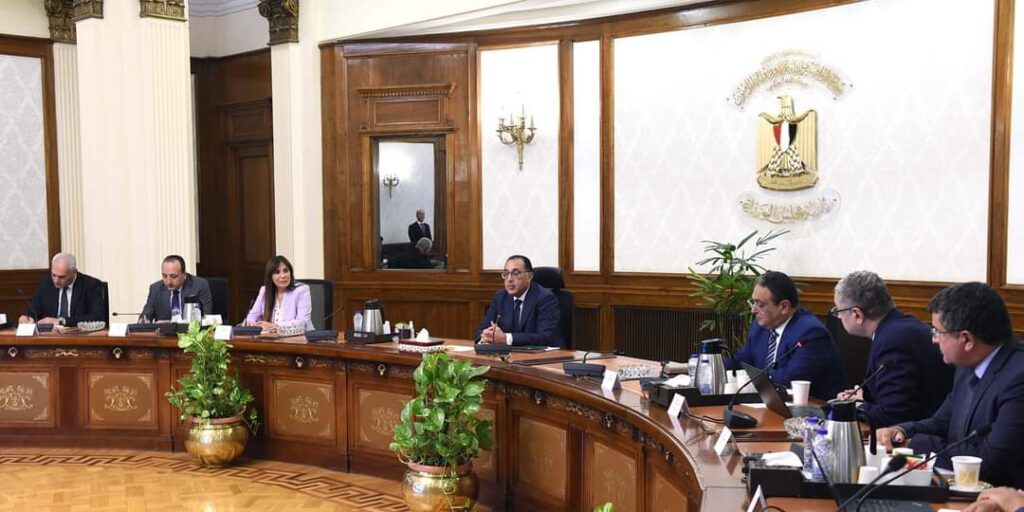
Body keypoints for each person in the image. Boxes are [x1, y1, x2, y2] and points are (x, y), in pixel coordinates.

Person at [877, 282, 1024, 489]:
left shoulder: (1018, 378)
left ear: (967, 339)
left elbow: (988, 461)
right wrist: (902, 431)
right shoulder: (967, 364)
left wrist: (915, 444)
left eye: (937, 331)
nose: (934, 340)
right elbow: (943, 422)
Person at [832, 271, 952, 427]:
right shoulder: (899, 327)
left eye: (838, 311)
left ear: (857, 314)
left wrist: (858, 405)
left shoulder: (893, 341)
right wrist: (865, 397)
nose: (839, 317)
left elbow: (893, 415)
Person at [732, 271, 848, 400]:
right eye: (753, 302)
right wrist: (715, 365)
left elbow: (790, 380)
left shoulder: (811, 333)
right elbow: (740, 362)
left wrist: (756, 376)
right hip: (774, 403)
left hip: (816, 407)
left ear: (784, 307)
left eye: (760, 305)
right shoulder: (760, 327)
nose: (753, 310)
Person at [475, 254, 561, 347]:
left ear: (529, 276)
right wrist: (486, 335)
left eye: (515, 273)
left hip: (543, 355)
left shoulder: (545, 298)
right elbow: (481, 330)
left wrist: (506, 339)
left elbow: (544, 337)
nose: (509, 279)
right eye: (506, 274)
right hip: (509, 353)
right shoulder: (500, 297)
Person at [19, 253, 106, 326]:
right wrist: (28, 317)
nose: (56, 280)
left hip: (79, 335)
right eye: (53, 275)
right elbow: (34, 309)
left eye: (62, 277)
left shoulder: (91, 285)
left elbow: (97, 316)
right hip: (50, 335)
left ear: (74, 272)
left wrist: (62, 321)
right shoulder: (46, 284)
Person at [244, 255, 314, 332]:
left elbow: (303, 323)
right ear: (270, 277)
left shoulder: (302, 290)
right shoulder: (264, 291)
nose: (283, 276)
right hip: (270, 337)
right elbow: (252, 316)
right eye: (277, 272)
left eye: (285, 271)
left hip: (299, 337)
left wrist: (275, 326)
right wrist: (254, 324)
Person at [140, 255, 213, 322]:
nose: (168, 282)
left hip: (190, 331)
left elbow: (207, 318)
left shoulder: (200, 285)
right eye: (164, 276)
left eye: (173, 276)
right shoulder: (155, 289)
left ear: (184, 274)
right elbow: (146, 315)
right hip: (164, 332)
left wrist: (172, 324)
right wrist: (144, 321)